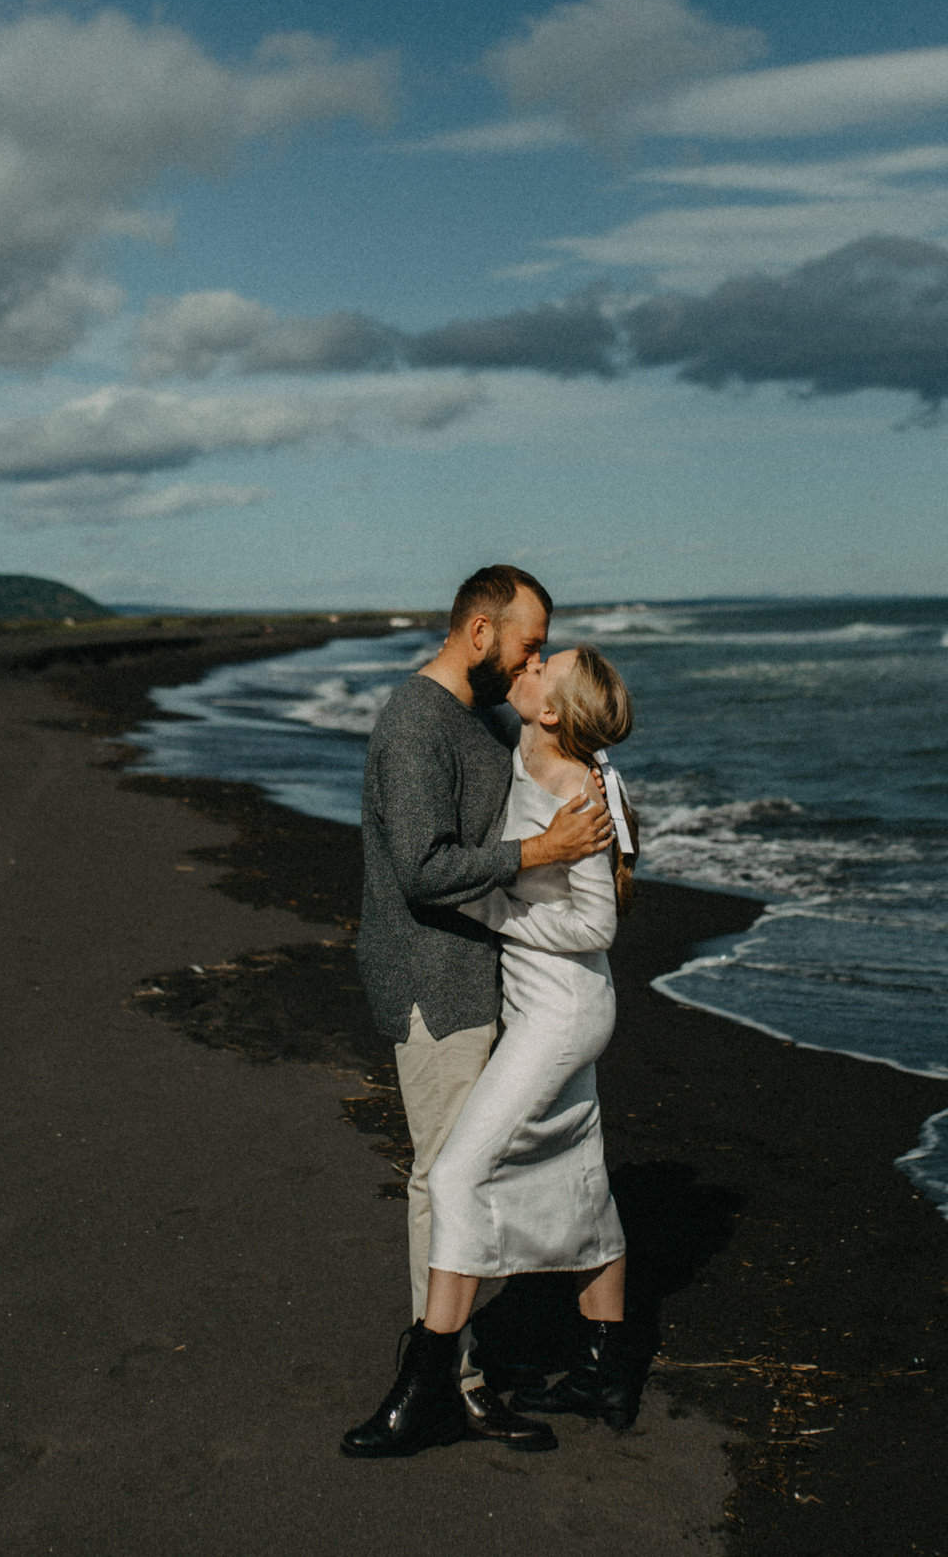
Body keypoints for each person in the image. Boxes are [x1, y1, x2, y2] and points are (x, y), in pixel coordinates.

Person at [339, 567, 615, 1461]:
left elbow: (559, 743)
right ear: (481, 633)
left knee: (461, 1173)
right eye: (529, 644)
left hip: (477, 976)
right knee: (443, 1178)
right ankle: (447, 1388)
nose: (535, 659)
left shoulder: (480, 715)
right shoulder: (415, 723)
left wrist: (603, 796)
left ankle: (450, 1378)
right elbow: (423, 867)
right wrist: (546, 849)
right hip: (437, 983)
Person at [429, 645, 644, 1430]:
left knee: (457, 1174)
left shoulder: (579, 791)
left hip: (563, 1012)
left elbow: (597, 924)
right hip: (541, 1005)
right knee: (582, 1176)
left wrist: (490, 908)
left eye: (543, 665)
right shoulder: (527, 741)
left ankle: (432, 1376)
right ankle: (605, 1373)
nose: (531, 661)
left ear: (552, 708)